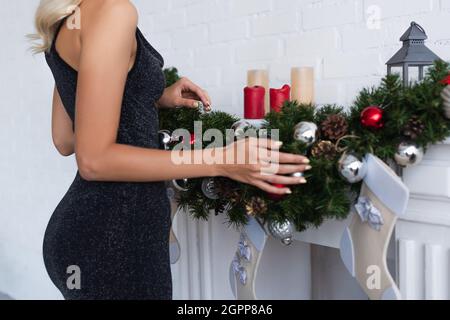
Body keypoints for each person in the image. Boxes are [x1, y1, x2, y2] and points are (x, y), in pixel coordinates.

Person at [30, 0, 310, 300]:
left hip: (79, 232)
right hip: (116, 238)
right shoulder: (113, 10)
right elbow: (94, 160)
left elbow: (66, 139)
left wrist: (151, 96)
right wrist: (223, 160)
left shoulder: (66, 19)